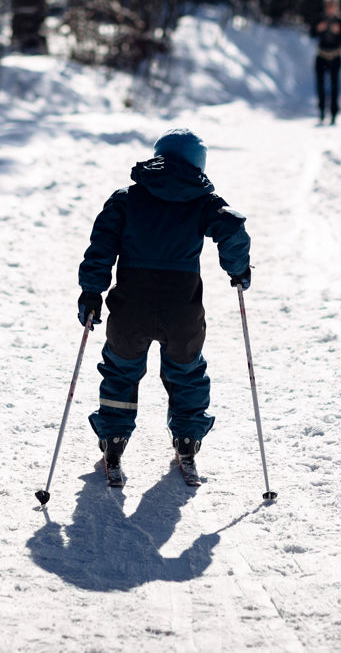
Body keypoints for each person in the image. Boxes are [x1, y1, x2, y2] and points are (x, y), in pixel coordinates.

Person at [76, 128, 253, 485]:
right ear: (197, 165)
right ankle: (187, 440)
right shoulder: (204, 201)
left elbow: (101, 248)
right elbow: (231, 227)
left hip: (131, 305)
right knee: (186, 372)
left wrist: (92, 293)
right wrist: (238, 269)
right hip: (181, 307)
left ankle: (113, 439)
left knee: (121, 371)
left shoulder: (126, 199)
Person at [313, 0, 341, 124]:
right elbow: (311, 33)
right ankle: (322, 112)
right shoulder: (320, 18)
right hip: (321, 55)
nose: (330, 7)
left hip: (335, 56)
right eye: (328, 5)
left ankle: (334, 114)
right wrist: (318, 29)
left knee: (335, 86)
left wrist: (339, 34)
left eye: (333, 5)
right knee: (320, 86)